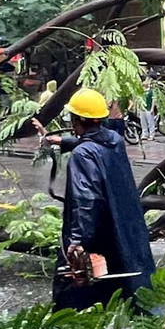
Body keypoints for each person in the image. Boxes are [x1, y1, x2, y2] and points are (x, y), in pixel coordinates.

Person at [51, 89, 155, 311]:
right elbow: (97, 142)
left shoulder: (82, 155)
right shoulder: (116, 142)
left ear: (76, 119)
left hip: (95, 237)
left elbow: (86, 201)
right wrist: (63, 142)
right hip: (120, 232)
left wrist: (77, 242)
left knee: (70, 296)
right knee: (132, 292)